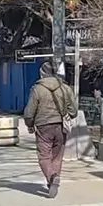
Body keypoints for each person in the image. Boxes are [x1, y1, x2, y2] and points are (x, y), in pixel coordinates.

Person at [23, 61, 78, 198]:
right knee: (57, 156)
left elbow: (29, 112)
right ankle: (53, 181)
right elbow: (74, 111)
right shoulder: (65, 88)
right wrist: (66, 115)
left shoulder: (37, 89)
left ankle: (52, 177)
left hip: (43, 127)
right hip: (61, 126)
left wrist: (30, 124)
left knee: (44, 156)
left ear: (42, 74)